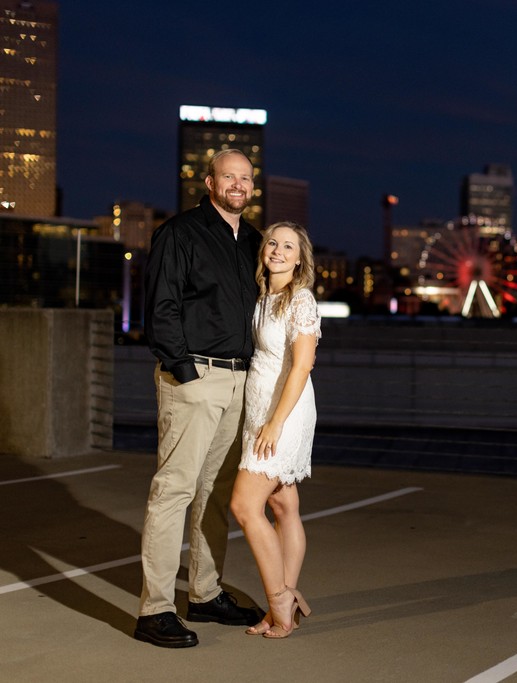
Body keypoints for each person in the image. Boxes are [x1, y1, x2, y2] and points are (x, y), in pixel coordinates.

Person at [135, 149, 263, 648]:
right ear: (209, 182)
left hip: (239, 381)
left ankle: (205, 594)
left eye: (245, 178)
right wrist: (185, 372)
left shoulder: (253, 241)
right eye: (229, 176)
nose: (238, 185)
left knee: (216, 493)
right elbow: (161, 307)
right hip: (195, 378)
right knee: (174, 490)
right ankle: (155, 610)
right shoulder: (179, 233)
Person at [230, 221, 319, 639]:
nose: (277, 251)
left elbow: (302, 366)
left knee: (245, 506)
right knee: (283, 506)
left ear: (300, 259)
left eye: (288, 246)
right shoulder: (265, 297)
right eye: (272, 243)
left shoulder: (301, 300)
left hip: (284, 413)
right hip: (261, 408)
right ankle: (282, 603)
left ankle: (280, 599)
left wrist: (275, 424)